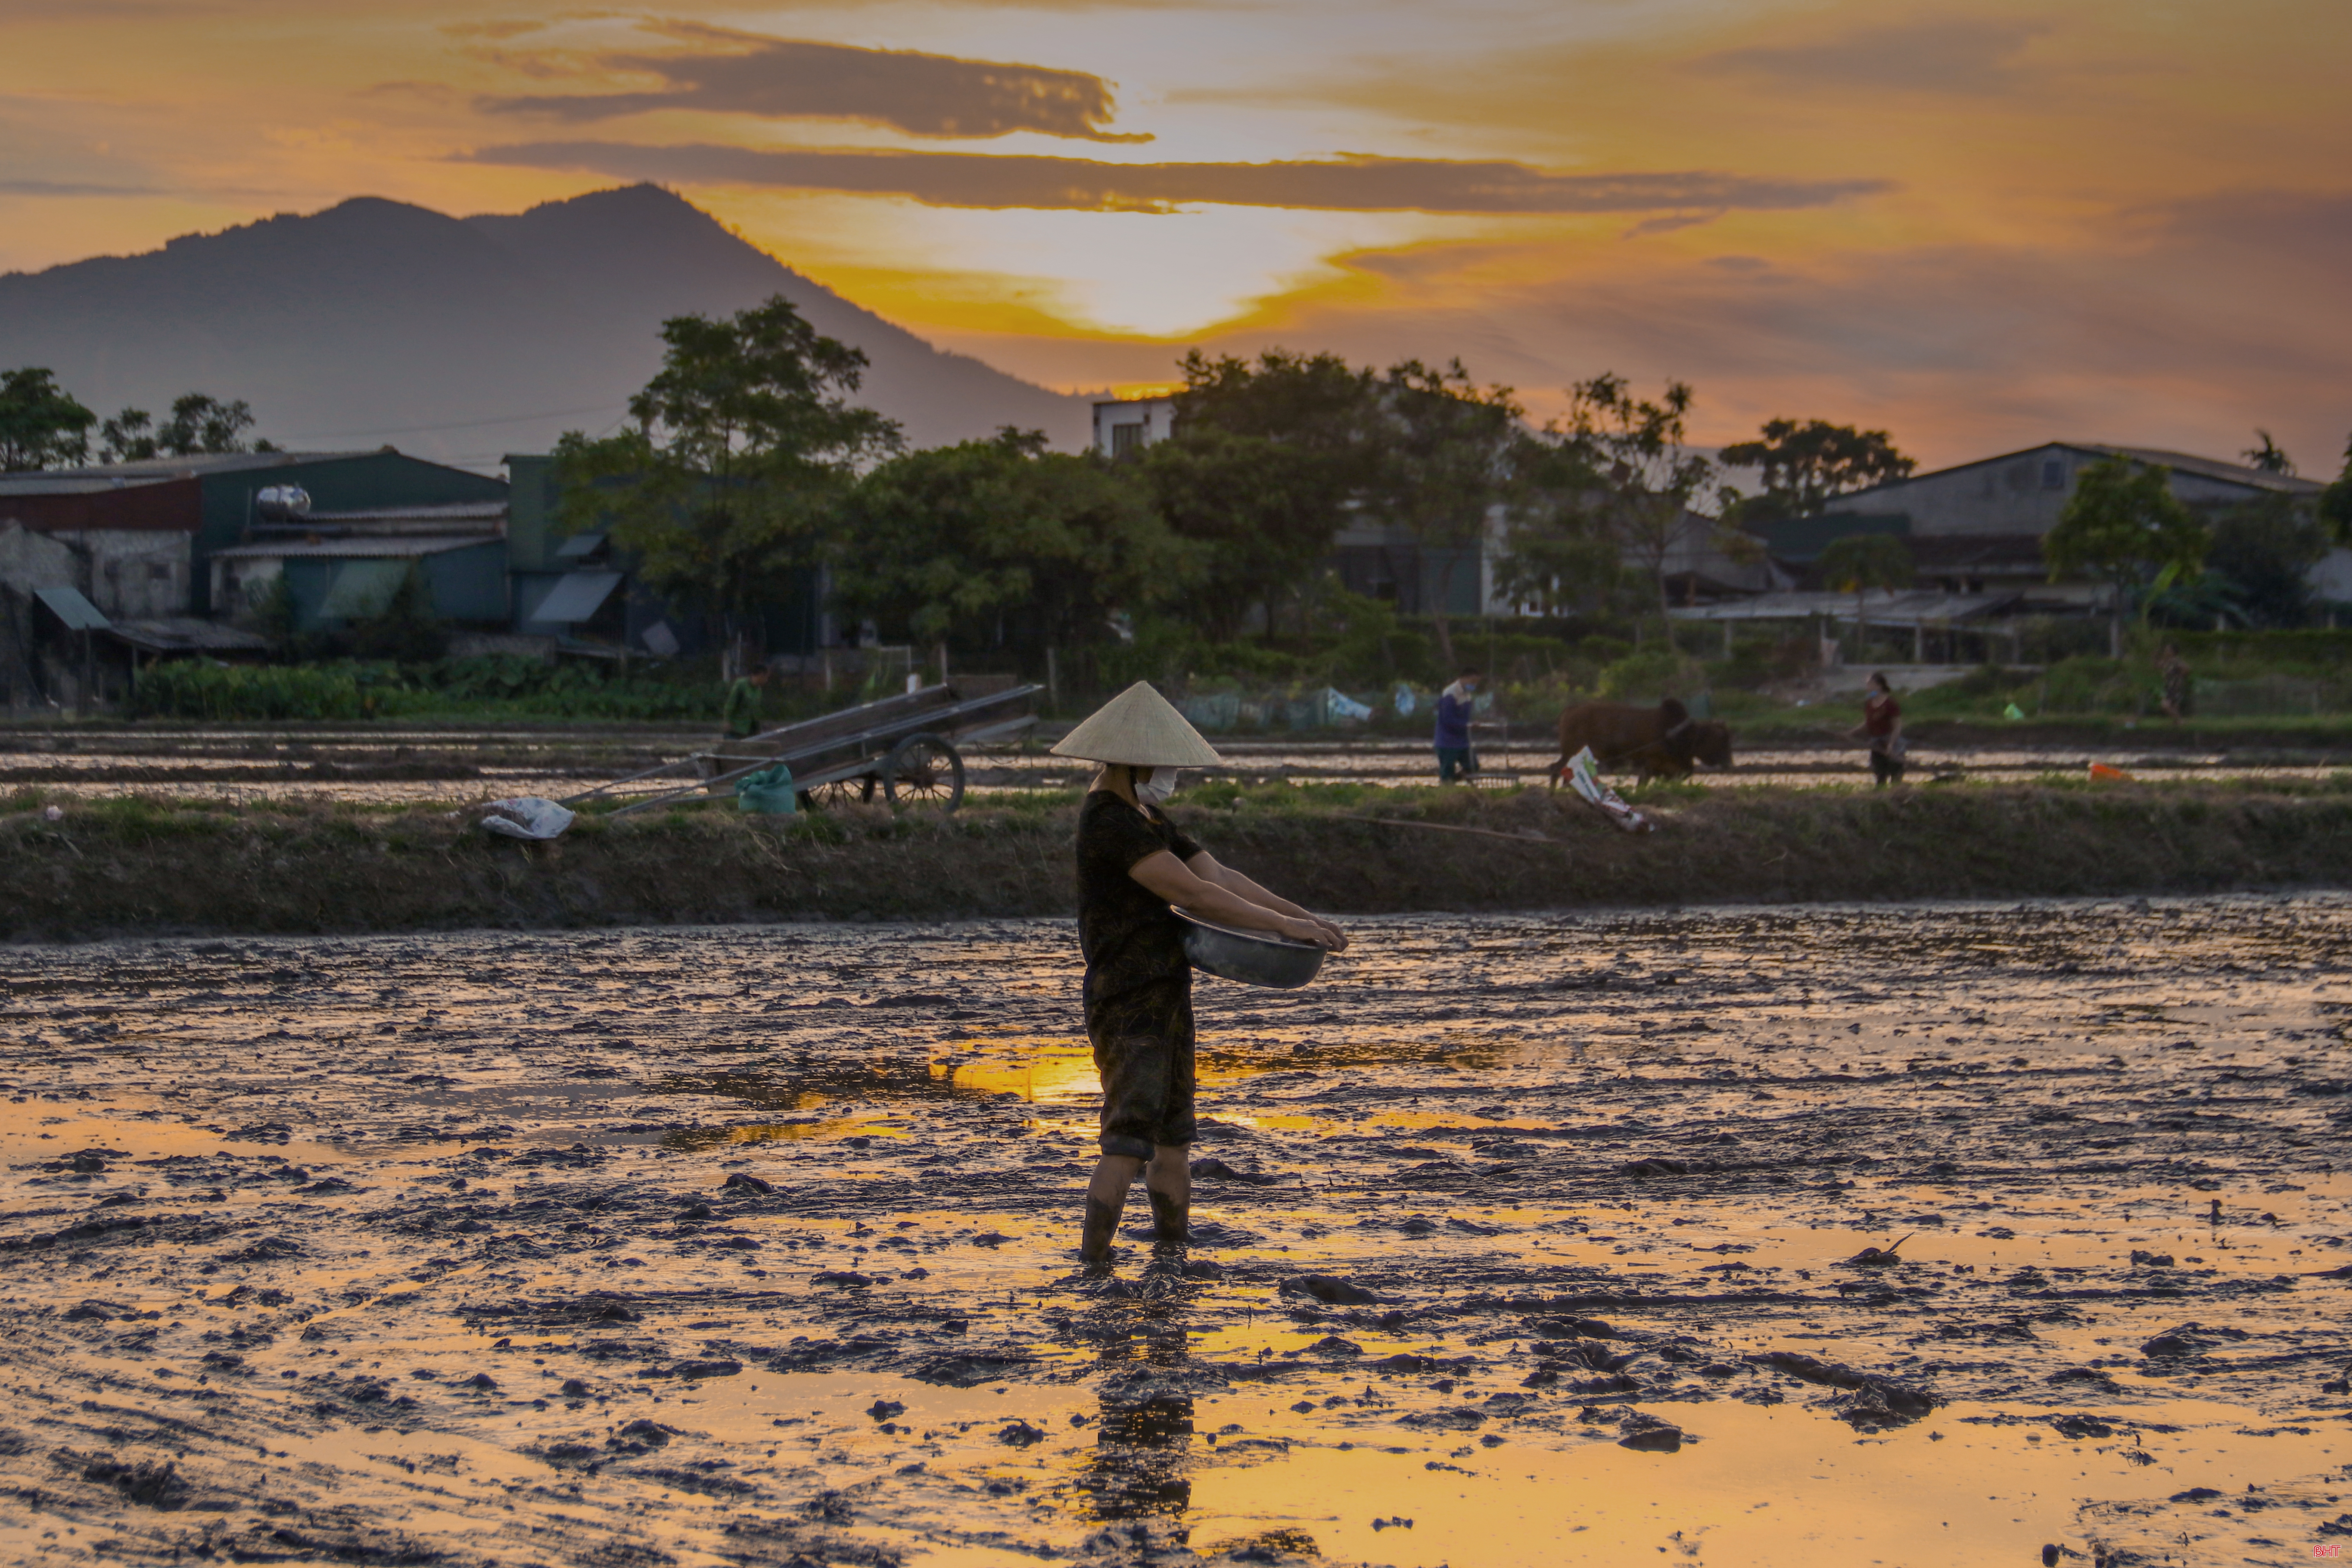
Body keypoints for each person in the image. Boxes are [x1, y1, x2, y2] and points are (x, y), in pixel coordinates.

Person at [1051, 681, 1347, 1264]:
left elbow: (1222, 878)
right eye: (1163, 764)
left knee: (1174, 1143)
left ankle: (1172, 1256)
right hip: (1126, 997)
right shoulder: (1110, 823)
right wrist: (1284, 931)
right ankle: (1092, 1268)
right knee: (1127, 1143)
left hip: (1167, 992)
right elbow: (1193, 894)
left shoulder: (1150, 816)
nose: (1170, 776)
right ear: (1134, 761)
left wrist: (1300, 916)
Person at [1851, 671, 1905, 787]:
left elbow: (1897, 727)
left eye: (1870, 684)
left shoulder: (1890, 704)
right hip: (1876, 742)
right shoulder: (1870, 703)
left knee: (1895, 774)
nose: (1868, 688)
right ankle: (1881, 795)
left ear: (1879, 686)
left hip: (1891, 741)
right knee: (1880, 774)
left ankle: (1897, 794)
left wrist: (1891, 745)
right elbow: (1869, 723)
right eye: (1867, 685)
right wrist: (1852, 733)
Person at [1433, 668, 1482, 784]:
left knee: (1473, 766)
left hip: (1463, 740)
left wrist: (1471, 725)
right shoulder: (1450, 694)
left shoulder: (1467, 695)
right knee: (1447, 770)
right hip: (1447, 740)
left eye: (1476, 682)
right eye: (1472, 681)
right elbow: (1448, 719)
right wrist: (1467, 726)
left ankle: (1452, 783)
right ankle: (1447, 788)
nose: (1474, 685)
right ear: (1463, 678)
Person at [723, 664, 771, 739]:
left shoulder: (758, 690)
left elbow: (756, 710)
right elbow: (731, 703)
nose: (767, 680)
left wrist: (758, 727)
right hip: (736, 727)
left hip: (750, 729)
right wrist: (727, 721)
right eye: (766, 677)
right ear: (761, 675)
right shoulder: (741, 685)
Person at [2158, 641, 2190, 724]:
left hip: (2174, 687)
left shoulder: (2176, 661)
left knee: (2165, 706)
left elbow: (2187, 669)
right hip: (2168, 687)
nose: (2166, 652)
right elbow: (2158, 666)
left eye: (2168, 650)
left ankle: (2180, 720)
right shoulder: (2167, 661)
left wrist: (2180, 677)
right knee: (2174, 707)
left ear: (2173, 652)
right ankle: (2177, 721)